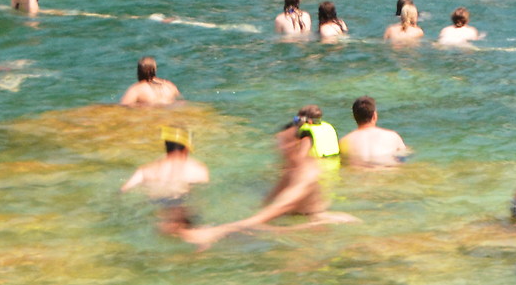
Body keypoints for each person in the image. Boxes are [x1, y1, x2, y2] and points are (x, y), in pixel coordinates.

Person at [183, 124, 356, 249]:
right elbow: (267, 205)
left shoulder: (306, 174)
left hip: (318, 228)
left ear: (298, 144)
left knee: (251, 232)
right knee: (250, 232)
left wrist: (219, 231)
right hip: (298, 224)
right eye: (279, 143)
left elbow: (279, 207)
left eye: (285, 143)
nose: (280, 148)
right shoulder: (290, 170)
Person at [121, 128, 210, 200]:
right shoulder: (198, 170)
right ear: (186, 148)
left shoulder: (145, 170)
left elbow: (123, 190)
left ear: (166, 146)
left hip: (156, 201)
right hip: (182, 203)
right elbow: (204, 194)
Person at [339, 97, 407, 167]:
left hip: (358, 175)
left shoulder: (343, 141)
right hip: (385, 173)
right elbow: (404, 157)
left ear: (354, 117)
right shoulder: (393, 137)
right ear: (374, 115)